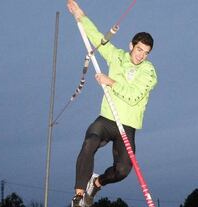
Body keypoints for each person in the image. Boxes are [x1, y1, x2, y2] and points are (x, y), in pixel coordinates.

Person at [67, 0, 157, 206]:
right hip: (108, 118)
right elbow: (98, 38)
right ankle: (79, 196)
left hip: (127, 125)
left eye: (145, 52)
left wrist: (111, 82)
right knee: (90, 141)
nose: (141, 55)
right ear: (131, 46)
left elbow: (134, 96)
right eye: (139, 49)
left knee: (123, 170)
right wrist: (80, 15)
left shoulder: (149, 71)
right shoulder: (116, 57)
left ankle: (96, 183)